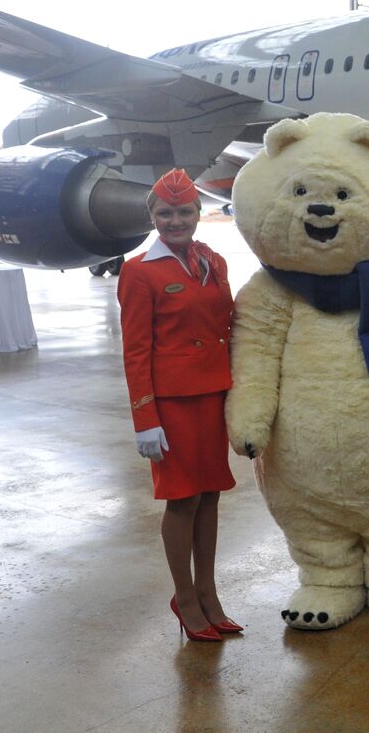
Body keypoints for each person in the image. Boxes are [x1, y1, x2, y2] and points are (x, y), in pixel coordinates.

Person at [117, 169, 239, 643]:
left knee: (210, 495)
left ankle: (209, 593)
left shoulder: (214, 261)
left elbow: (226, 328)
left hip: (213, 396)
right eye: (165, 213)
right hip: (171, 404)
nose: (175, 220)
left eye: (183, 211)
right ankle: (184, 597)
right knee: (182, 498)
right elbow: (136, 351)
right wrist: (145, 418)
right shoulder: (139, 270)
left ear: (197, 213)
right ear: (151, 215)